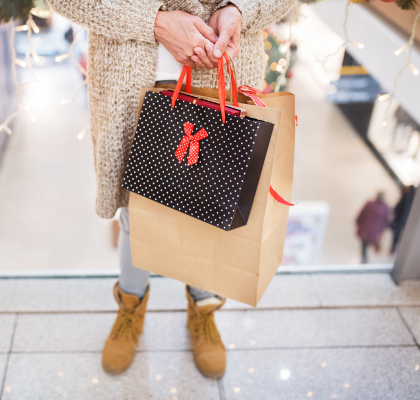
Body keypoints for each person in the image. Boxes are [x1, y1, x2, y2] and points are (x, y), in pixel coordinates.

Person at [47, 0, 294, 378]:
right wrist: (152, 22)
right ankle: (131, 307)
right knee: (135, 212)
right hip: (129, 76)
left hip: (221, 76)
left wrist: (241, 10)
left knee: (213, 209)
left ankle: (203, 307)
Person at [356, 192, 391, 264]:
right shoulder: (385, 208)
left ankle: (364, 257)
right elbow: (387, 220)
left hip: (366, 228)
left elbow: (362, 214)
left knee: (364, 244)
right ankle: (365, 258)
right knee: (370, 243)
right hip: (376, 231)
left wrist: (358, 221)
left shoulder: (369, 204)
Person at [391, 185, 416, 253]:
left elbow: (396, 209)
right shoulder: (414, 200)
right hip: (407, 224)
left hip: (400, 222)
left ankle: (394, 252)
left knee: (396, 239)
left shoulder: (405, 198)